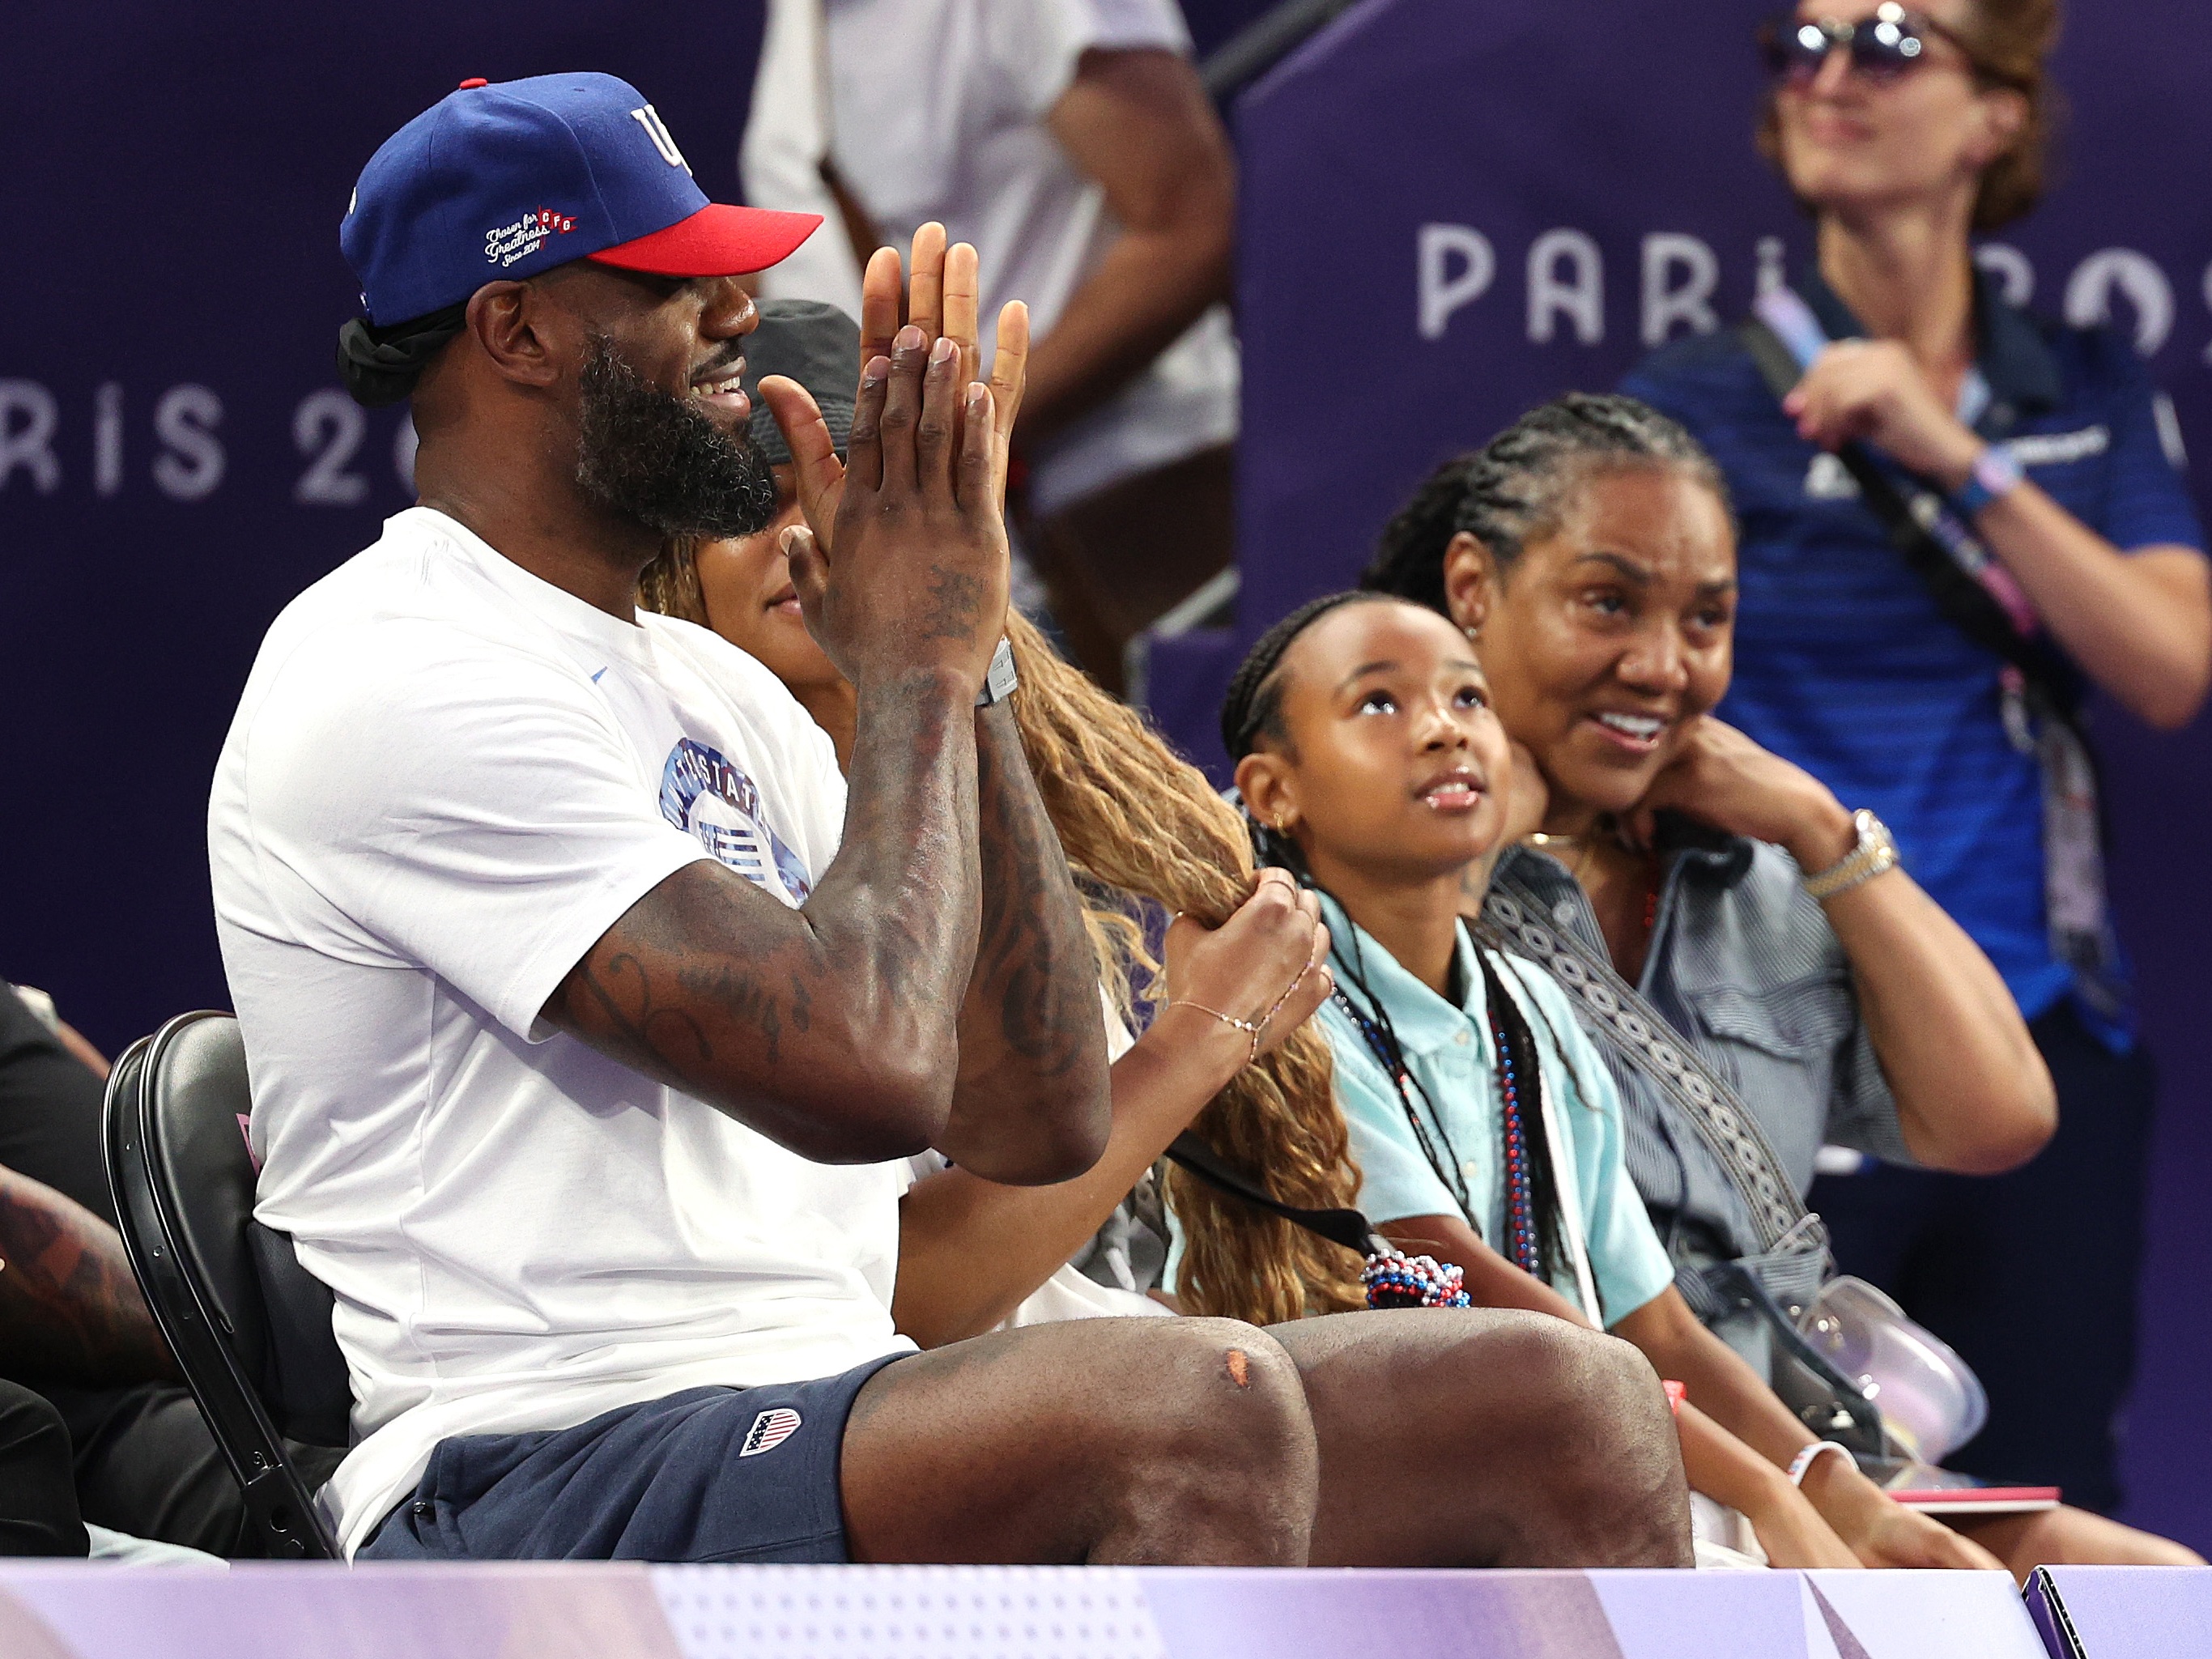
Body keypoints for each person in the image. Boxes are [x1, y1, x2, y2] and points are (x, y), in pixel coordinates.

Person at [211, 75, 1687, 1568]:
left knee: (1560, 1400)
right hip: (536, 1459)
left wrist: (968, 654)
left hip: (830, 1397)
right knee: (1186, 1399)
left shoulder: (716, 692)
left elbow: (1032, 1119)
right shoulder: (395, 665)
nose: (738, 311)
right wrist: (913, 663)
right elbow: (862, 1075)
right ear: (514, 330)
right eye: (672, 278)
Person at [640, 275, 1699, 1570]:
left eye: (867, 493)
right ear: (671, 547)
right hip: (849, 1416)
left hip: (1090, 1375)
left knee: (1577, 1402)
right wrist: (1201, 1035)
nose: (812, 534)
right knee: (1206, 1396)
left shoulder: (992, 807)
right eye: (759, 497)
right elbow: (909, 1301)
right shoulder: (686, 819)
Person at [1360, 393, 2197, 1572]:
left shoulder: (1744, 877)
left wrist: (1815, 827)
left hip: (1811, 1442)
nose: (1661, 665)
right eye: (1608, 602)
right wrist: (1487, 822)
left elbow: (2001, 1116)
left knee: (2155, 1597)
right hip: (1541, 1454)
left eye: (1707, 619)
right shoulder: (1364, 847)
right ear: (1472, 588)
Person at [1619, 0, 2212, 1513]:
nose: (1826, 75)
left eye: (1885, 40)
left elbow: (2166, 661)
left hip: (2034, 1030)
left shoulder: (2073, 379)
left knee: (2043, 1497)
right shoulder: (1683, 404)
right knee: (1787, 1502)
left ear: (1994, 113)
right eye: (1800, 42)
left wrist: (1958, 455)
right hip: (1775, 1038)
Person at [1224, 588, 2018, 1572]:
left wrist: (1833, 1488)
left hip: (1563, 1455)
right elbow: (1469, 1289)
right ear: (1270, 793)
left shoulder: (1533, 1007)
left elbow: (1659, 1327)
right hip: (1347, 1488)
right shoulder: (1276, 991)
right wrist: (1765, 1492)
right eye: (1378, 704)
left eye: (1469, 700)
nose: (1441, 731)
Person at [742, 0, 1239, 690]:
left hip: (1143, 512)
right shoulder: (803, 17)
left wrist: (957, 436)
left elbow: (1190, 228)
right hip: (967, 553)